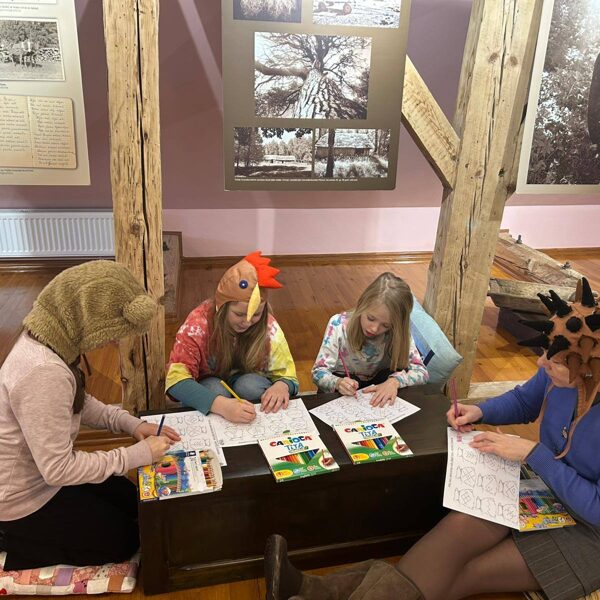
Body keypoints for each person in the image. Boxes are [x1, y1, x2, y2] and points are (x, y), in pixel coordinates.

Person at [265, 277, 600, 600]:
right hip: (542, 490)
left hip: (589, 532)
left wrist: (533, 453)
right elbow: (526, 401)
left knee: (461, 574)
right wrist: (479, 411)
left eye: (553, 362)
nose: (541, 363)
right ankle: (314, 590)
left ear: (590, 370)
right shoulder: (558, 369)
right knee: (445, 546)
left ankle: (316, 590)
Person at [0, 260, 180, 571]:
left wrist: (131, 424)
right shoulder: (43, 372)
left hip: (43, 479)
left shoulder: (50, 340)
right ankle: (10, 540)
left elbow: (79, 402)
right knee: (124, 541)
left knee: (133, 501)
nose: (112, 342)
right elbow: (58, 470)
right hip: (20, 500)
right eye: (111, 335)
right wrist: (135, 454)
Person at [166, 251, 299, 423]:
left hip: (247, 382)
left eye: (256, 314)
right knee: (214, 388)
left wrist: (282, 386)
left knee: (249, 387)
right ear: (222, 307)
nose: (248, 322)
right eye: (239, 314)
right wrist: (222, 406)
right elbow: (175, 381)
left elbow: (288, 376)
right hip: (208, 385)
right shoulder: (198, 325)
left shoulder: (269, 327)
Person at [311, 272, 428, 406]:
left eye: (385, 325)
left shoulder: (398, 333)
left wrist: (395, 381)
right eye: (371, 318)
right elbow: (318, 372)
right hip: (343, 394)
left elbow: (421, 373)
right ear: (362, 305)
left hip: (378, 396)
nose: (374, 329)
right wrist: (337, 382)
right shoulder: (338, 325)